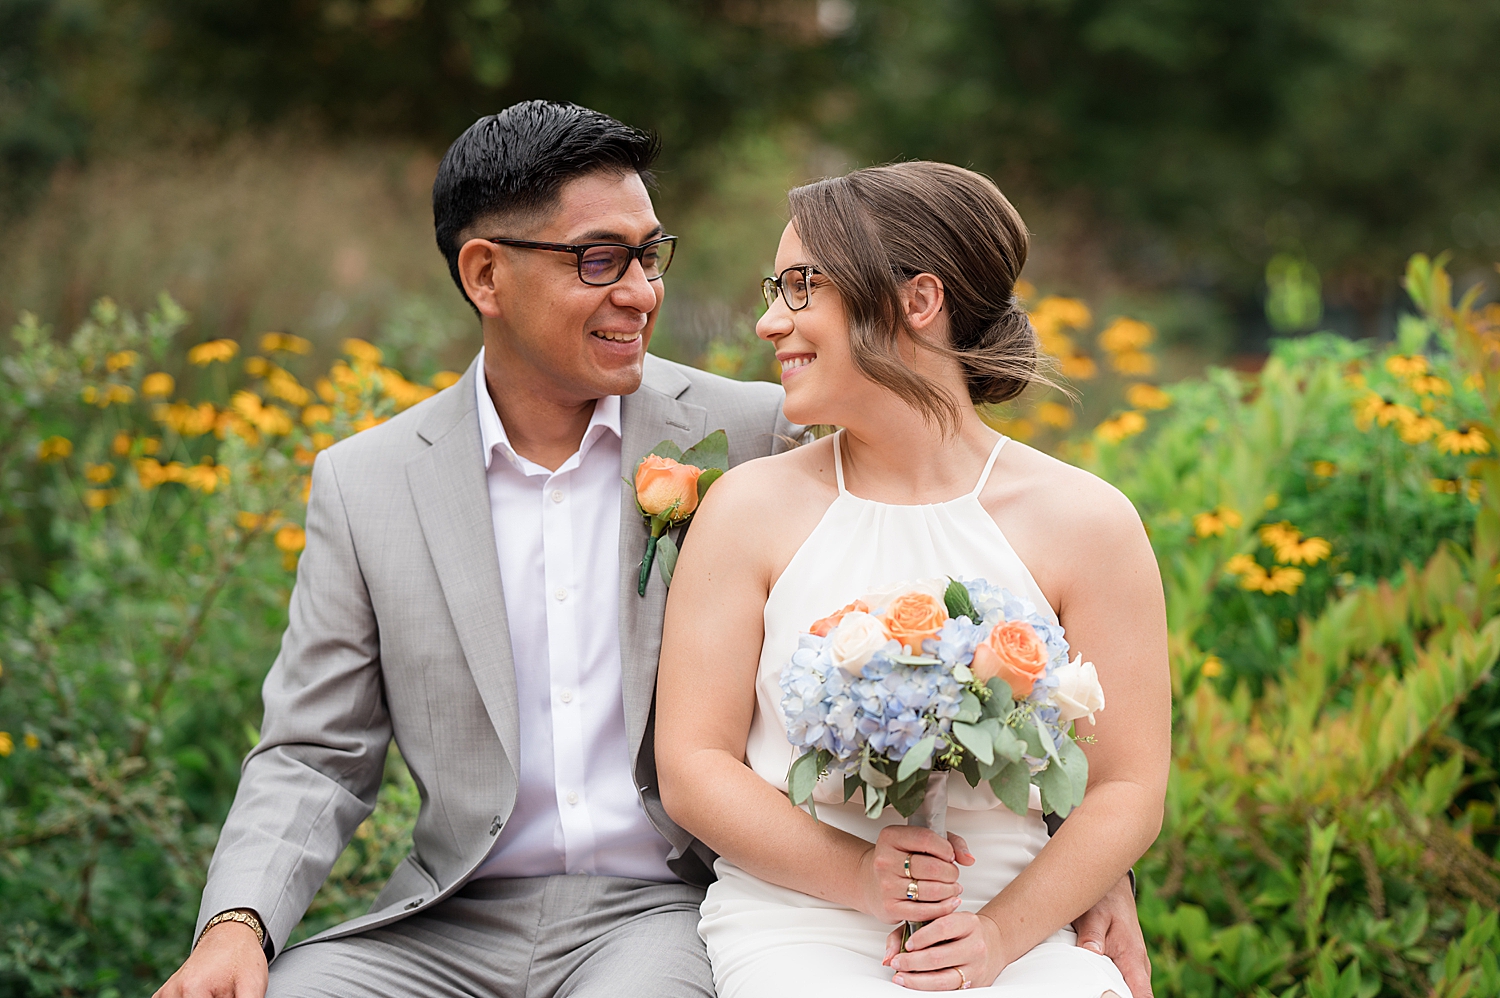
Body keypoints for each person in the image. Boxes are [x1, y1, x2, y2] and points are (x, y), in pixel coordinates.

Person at [153, 104, 1150, 998]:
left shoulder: (761, 431)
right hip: (446, 920)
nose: (641, 291)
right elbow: (313, 755)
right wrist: (236, 922)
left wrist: (1090, 866)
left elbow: (936, 550)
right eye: (599, 260)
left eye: (649, 255)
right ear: (484, 273)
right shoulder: (367, 484)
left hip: (656, 908)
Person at [655, 162, 1170, 996]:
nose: (765, 322)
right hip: (802, 920)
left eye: (798, 287)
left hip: (1017, 920)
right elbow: (693, 765)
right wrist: (860, 877)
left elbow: (1128, 787)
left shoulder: (1089, 523)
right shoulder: (749, 508)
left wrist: (999, 936)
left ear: (916, 301)